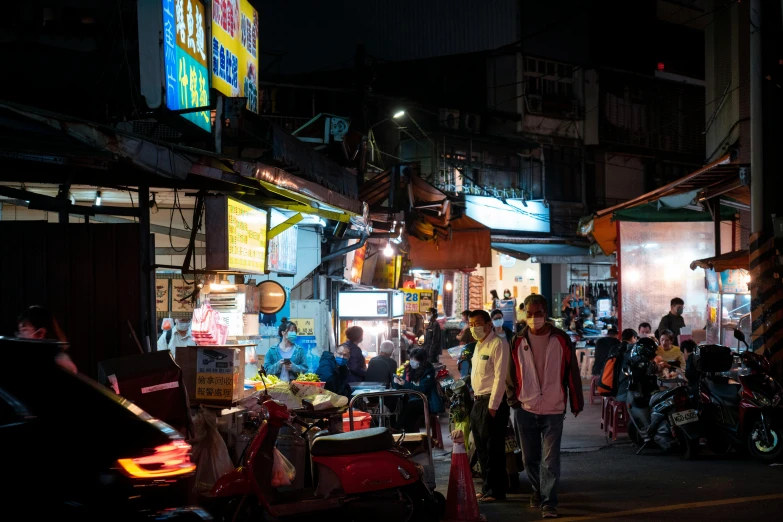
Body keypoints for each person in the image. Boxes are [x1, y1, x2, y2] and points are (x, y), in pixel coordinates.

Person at [505, 294, 583, 519]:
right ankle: (537, 490)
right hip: (525, 407)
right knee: (529, 458)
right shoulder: (518, 339)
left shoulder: (560, 338)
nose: (533, 318)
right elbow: (511, 373)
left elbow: (572, 371)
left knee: (550, 459)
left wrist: (576, 401)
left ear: (545, 313)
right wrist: (514, 400)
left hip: (553, 408)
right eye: (529, 314)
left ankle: (549, 501)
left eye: (537, 314)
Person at [468, 309, 510, 504]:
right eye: (471, 324)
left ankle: (496, 491)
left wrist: (493, 406)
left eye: (477, 323)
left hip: (492, 403)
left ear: (488, 324)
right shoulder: (478, 346)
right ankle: (487, 488)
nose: (474, 328)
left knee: (494, 449)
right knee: (481, 448)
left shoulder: (498, 344)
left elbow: (500, 378)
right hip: (478, 401)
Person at [393, 348, 444, 433]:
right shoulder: (408, 369)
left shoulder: (429, 371)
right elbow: (403, 385)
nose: (412, 361)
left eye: (414, 360)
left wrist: (404, 384)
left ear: (422, 361)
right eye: (411, 359)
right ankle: (411, 439)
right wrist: (396, 382)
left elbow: (422, 390)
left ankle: (396, 427)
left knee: (411, 406)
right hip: (411, 400)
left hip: (426, 401)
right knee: (410, 415)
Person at [16, 305, 77, 373]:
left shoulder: (59, 360)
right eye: (19, 331)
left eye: (24, 330)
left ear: (40, 333)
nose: (19, 336)